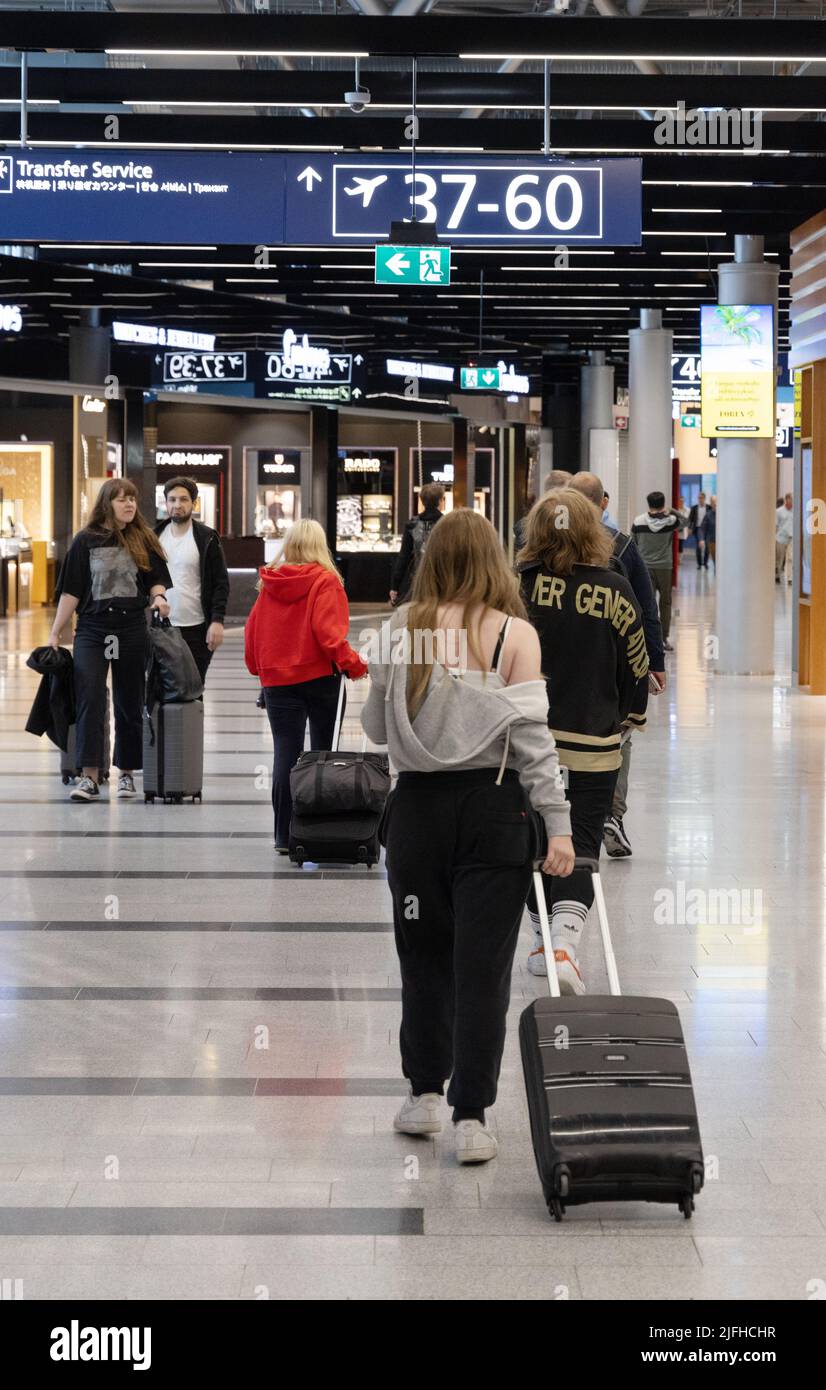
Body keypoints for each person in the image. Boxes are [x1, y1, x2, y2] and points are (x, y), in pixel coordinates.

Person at [362, 508, 574, 1164]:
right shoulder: (514, 634)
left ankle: (423, 1094)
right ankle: (472, 1117)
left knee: (422, 957)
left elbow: (373, 728)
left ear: (432, 560)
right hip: (495, 815)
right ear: (494, 560)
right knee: (483, 969)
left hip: (417, 817)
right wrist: (559, 828)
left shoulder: (402, 629)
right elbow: (535, 745)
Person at [518, 489, 649, 991]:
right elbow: (637, 663)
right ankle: (565, 945)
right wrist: (629, 717)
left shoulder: (517, 584)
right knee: (583, 840)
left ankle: (537, 941)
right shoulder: (615, 588)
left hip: (527, 742)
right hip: (593, 740)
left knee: (532, 839)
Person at [244, 518, 368, 853]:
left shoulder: (269, 583)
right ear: (319, 545)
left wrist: (261, 670)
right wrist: (355, 666)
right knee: (322, 755)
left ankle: (284, 836)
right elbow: (329, 635)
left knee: (286, 753)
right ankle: (316, 830)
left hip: (278, 683)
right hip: (320, 680)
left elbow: (251, 631)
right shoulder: (326, 582)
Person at [49, 479, 172, 803]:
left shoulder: (143, 538)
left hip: (130, 628)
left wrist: (159, 598)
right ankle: (89, 776)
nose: (129, 505)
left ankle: (127, 774)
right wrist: (56, 629)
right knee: (90, 698)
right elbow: (72, 590)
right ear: (107, 503)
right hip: (92, 629)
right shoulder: (84, 541)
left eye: (132, 499)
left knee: (129, 701)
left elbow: (155, 580)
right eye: (121, 500)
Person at [568, 472, 665, 860]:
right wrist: (653, 662)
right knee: (619, 732)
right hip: (612, 658)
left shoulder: (547, 542)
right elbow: (646, 607)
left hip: (559, 659)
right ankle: (611, 814)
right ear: (602, 502)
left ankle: (559, 810)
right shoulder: (621, 546)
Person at [155, 476, 230, 685]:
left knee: (193, 688)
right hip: (161, 627)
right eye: (172, 500)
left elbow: (221, 583)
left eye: (183, 499)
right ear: (166, 503)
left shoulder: (207, 538)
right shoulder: (154, 537)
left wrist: (217, 621)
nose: (177, 505)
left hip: (196, 627)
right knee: (160, 689)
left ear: (193, 503)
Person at [631, 491, 682, 651]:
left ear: (649, 503)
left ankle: (648, 639)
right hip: (664, 567)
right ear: (662, 504)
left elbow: (633, 543)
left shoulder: (638, 521)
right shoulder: (671, 521)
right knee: (665, 603)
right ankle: (664, 638)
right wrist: (672, 510)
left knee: (647, 603)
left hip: (644, 568)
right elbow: (688, 522)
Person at [389, 482, 445, 606]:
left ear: (422, 501)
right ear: (441, 501)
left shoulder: (412, 524)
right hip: (444, 581)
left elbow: (403, 557)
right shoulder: (447, 524)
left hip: (419, 581)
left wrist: (395, 586)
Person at [776, 493, 793, 584]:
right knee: (780, 558)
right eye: (790, 500)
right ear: (786, 500)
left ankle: (790, 578)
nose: (792, 502)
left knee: (790, 558)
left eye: (793, 500)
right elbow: (776, 525)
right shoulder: (779, 511)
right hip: (781, 538)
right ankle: (778, 575)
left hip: (791, 538)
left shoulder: (795, 511)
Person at [688, 491, 708, 569]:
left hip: (707, 529)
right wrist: (690, 528)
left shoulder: (708, 507)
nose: (700, 499)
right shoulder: (694, 508)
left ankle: (705, 563)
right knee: (698, 546)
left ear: (704, 498)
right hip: (697, 528)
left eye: (701, 498)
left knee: (707, 547)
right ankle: (699, 564)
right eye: (699, 498)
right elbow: (690, 519)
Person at [700, 494, 717, 570]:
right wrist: (702, 539)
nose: (715, 503)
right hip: (712, 542)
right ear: (711, 503)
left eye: (716, 501)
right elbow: (703, 528)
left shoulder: (723, 514)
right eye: (713, 502)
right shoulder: (708, 515)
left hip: (723, 543)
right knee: (716, 562)